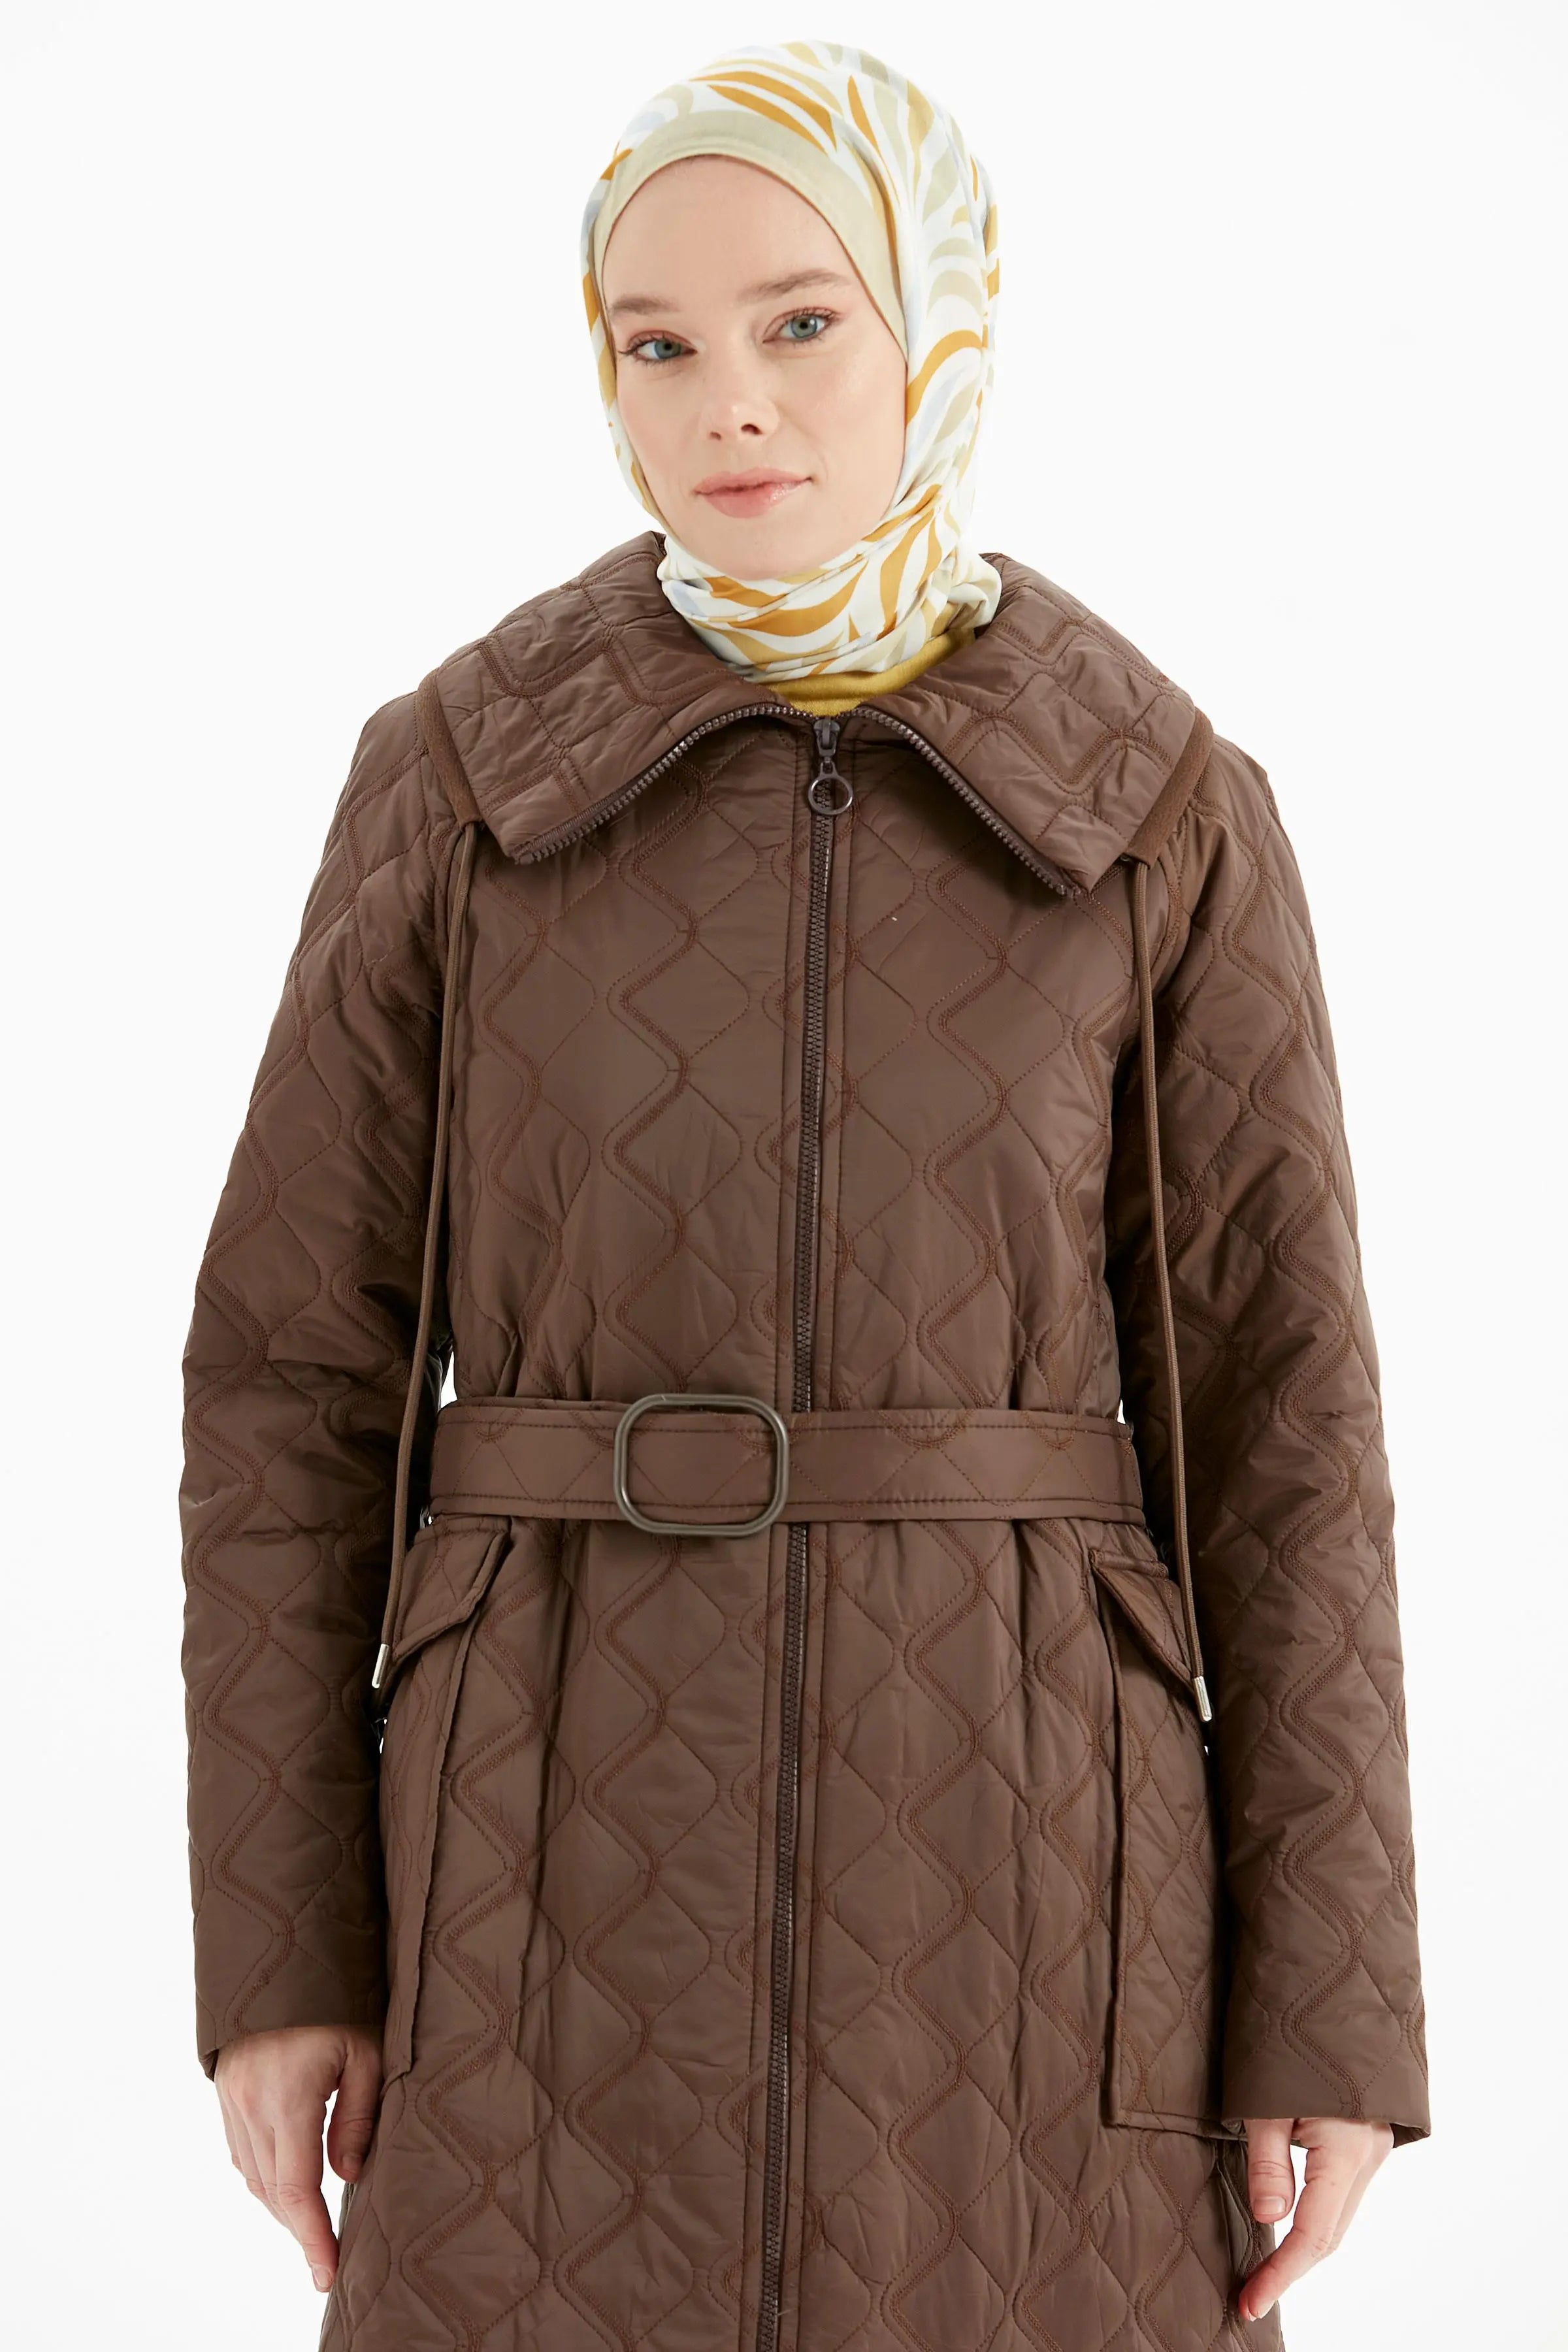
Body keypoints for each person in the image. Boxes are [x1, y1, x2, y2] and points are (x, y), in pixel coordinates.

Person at [180, 39, 1429, 2351]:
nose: (727, 403)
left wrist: (1330, 2007)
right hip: (525, 1894)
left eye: (800, 321)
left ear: (937, 323)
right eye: (656, 344)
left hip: (1038, 1913)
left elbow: (1288, 1428)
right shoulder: (459, 781)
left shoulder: (1157, 805)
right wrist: (279, 1959)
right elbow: (286, 1385)